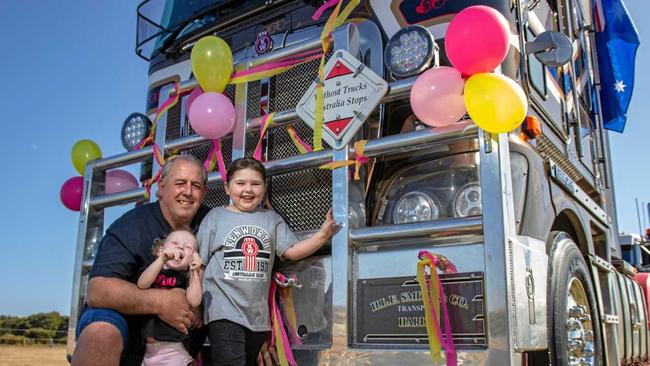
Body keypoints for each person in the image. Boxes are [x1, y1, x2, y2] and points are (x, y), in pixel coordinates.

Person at [197, 157, 339, 365]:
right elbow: (199, 264)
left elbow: (292, 251)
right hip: (223, 311)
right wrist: (196, 307)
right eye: (240, 183)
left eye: (255, 184)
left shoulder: (271, 219)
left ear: (264, 187)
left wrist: (323, 235)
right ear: (227, 188)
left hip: (256, 317)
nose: (248, 190)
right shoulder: (215, 217)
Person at [72, 155, 209, 366]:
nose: (188, 192)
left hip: (179, 341)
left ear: (204, 193)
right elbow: (98, 290)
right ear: (161, 188)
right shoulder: (131, 226)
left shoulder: (214, 224)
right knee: (101, 333)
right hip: (129, 325)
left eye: (196, 185)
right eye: (180, 183)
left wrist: (256, 335)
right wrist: (162, 302)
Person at [136, 229, 204, 365]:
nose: (180, 247)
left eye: (188, 247)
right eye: (175, 243)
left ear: (193, 256)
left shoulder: (186, 277)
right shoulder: (154, 271)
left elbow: (195, 300)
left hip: (174, 351)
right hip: (148, 352)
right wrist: (161, 260)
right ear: (160, 250)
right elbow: (142, 284)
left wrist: (195, 271)